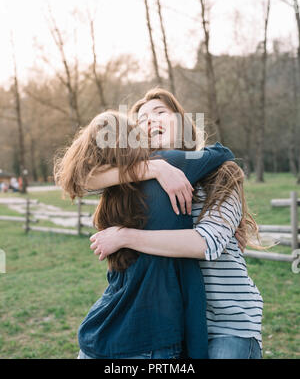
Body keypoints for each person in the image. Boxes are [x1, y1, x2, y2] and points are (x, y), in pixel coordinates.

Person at [88, 88, 264, 359]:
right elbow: (81, 179)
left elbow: (207, 242)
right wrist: (156, 168)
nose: (149, 120)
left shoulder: (219, 171)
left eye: (159, 112)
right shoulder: (135, 180)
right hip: (177, 324)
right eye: (142, 119)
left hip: (228, 323)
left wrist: (124, 236)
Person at [54, 109, 235, 359]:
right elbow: (223, 152)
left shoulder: (112, 187)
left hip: (102, 329)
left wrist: (152, 167)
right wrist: (156, 167)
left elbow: (74, 177)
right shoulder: (170, 163)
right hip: (151, 334)